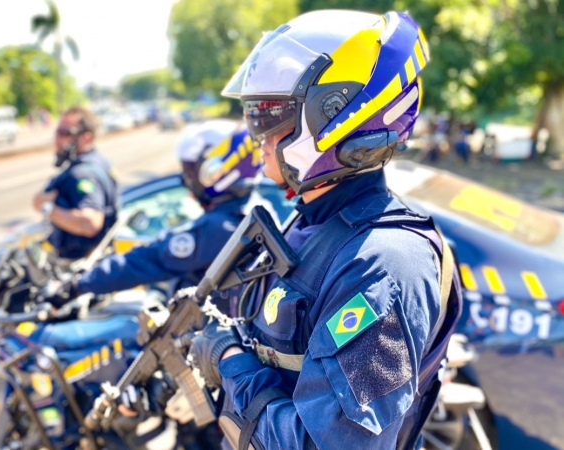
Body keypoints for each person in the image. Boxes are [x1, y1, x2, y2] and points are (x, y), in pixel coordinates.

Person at [187, 10, 462, 450]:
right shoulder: (312, 225)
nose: (255, 134)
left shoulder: (387, 266)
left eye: (268, 114)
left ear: (334, 115)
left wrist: (230, 362)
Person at [44, 119, 265, 312]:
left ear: (215, 170)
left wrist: (76, 286)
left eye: (190, 170)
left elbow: (150, 259)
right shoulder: (253, 210)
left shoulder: (221, 227)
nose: (185, 179)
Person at [33, 106, 118, 261]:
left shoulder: (83, 174)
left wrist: (47, 207)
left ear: (86, 138)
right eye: (57, 132)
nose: (57, 139)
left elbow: (90, 223)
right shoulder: (99, 161)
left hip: (80, 268)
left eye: (65, 133)